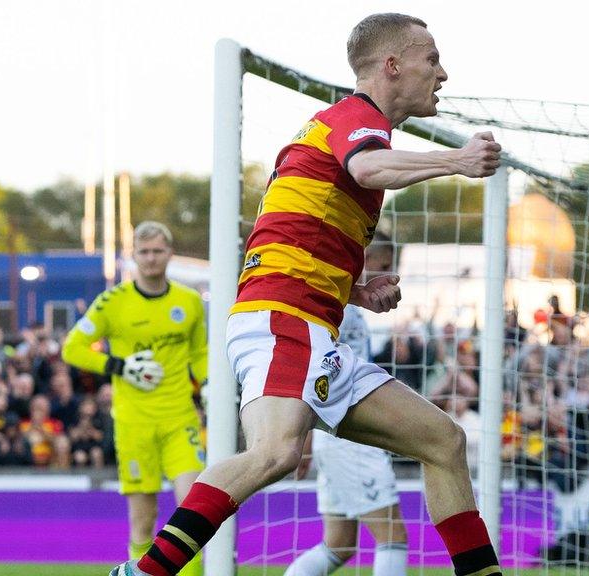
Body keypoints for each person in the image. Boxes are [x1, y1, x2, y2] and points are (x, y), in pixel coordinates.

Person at [112, 13, 501, 576]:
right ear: (392, 66)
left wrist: (355, 289)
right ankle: (143, 573)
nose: (443, 73)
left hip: (307, 323)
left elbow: (297, 231)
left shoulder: (335, 130)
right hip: (282, 322)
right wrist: (456, 160)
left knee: (443, 441)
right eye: (432, 59)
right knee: (273, 454)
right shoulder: (354, 121)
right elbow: (368, 169)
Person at [64, 221, 209, 576]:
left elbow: (199, 352)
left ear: (170, 254)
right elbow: (72, 348)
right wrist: (120, 365)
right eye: (144, 252)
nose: (151, 259)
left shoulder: (188, 302)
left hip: (180, 420)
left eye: (158, 251)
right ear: (133, 256)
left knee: (192, 511)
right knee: (143, 521)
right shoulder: (113, 302)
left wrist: (207, 384)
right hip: (133, 424)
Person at [285, 235, 409, 576]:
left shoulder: (346, 302)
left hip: (335, 434)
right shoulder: (336, 302)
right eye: (384, 266)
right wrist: (303, 437)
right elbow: (314, 371)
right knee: (392, 536)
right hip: (348, 435)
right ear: (365, 258)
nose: (388, 276)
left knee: (339, 543)